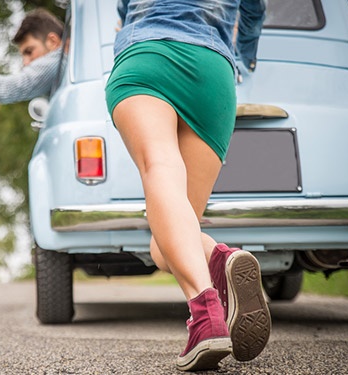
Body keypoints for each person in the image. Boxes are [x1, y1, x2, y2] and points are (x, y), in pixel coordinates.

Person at [105, 0, 268, 371]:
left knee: (160, 165)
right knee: (165, 243)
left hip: (147, 57)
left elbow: (124, 10)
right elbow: (256, 10)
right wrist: (243, 60)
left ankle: (204, 310)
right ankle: (219, 260)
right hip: (212, 70)